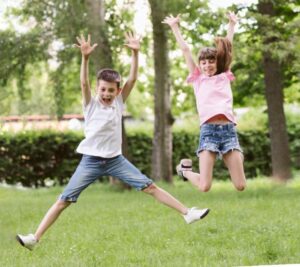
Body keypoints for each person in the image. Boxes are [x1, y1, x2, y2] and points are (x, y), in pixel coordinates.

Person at [16, 32, 209, 250]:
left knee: (150, 187)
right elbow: (82, 83)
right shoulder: (91, 105)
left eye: (111, 90)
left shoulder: (118, 102)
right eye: (103, 89)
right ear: (97, 89)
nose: (106, 93)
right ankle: (34, 238)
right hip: (90, 161)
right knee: (64, 200)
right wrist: (85, 58)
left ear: (117, 91)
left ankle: (187, 213)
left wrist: (135, 53)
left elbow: (133, 79)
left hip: (115, 160)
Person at [162, 12, 246, 192]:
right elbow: (185, 50)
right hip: (209, 132)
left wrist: (232, 24)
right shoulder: (198, 79)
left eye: (211, 61)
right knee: (204, 186)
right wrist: (175, 27)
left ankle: (231, 160)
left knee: (240, 185)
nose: (207, 65)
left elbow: (228, 47)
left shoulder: (224, 75)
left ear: (218, 63)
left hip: (229, 131)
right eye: (204, 62)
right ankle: (184, 172)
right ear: (199, 65)